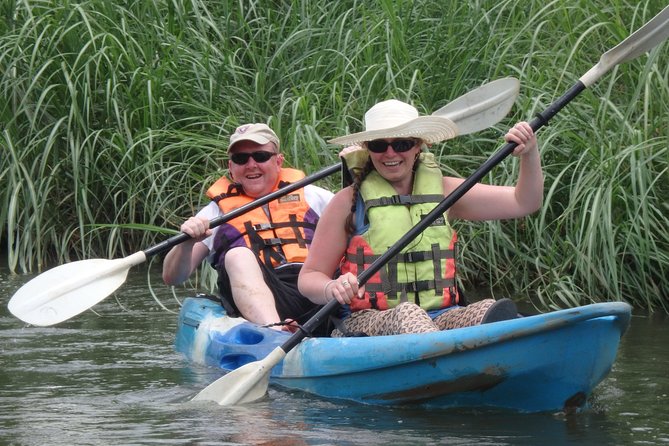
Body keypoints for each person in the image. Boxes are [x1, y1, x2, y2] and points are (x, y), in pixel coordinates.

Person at [298, 99, 543, 337]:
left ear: (418, 146)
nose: (390, 153)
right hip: (366, 322)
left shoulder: (446, 192)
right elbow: (309, 278)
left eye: (402, 143)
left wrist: (529, 153)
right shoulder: (347, 202)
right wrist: (331, 287)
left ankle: (485, 361)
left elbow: (525, 202)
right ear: (367, 149)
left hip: (442, 315)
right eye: (379, 145)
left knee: (489, 309)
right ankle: (445, 365)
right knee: (407, 315)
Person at [163, 123, 334, 333]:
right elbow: (173, 277)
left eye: (261, 156)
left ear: (278, 161)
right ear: (231, 168)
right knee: (237, 255)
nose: (251, 164)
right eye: (241, 159)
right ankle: (275, 333)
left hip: (316, 290)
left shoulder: (315, 197)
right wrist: (186, 243)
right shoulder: (215, 213)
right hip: (259, 297)